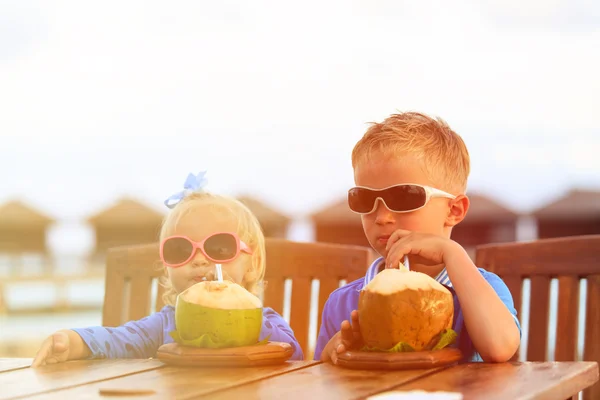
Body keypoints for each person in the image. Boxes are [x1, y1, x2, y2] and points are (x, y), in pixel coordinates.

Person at [32, 171, 303, 366]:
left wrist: (246, 319)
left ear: (252, 263)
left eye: (219, 248)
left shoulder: (264, 321)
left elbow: (294, 355)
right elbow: (120, 339)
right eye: (181, 250)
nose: (199, 259)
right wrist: (76, 340)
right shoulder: (166, 324)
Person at [314, 112, 521, 363]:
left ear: (454, 210)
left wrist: (452, 252)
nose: (382, 217)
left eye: (403, 197)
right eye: (365, 199)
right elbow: (319, 381)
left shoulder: (482, 289)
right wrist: (332, 354)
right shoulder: (344, 302)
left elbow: (500, 348)